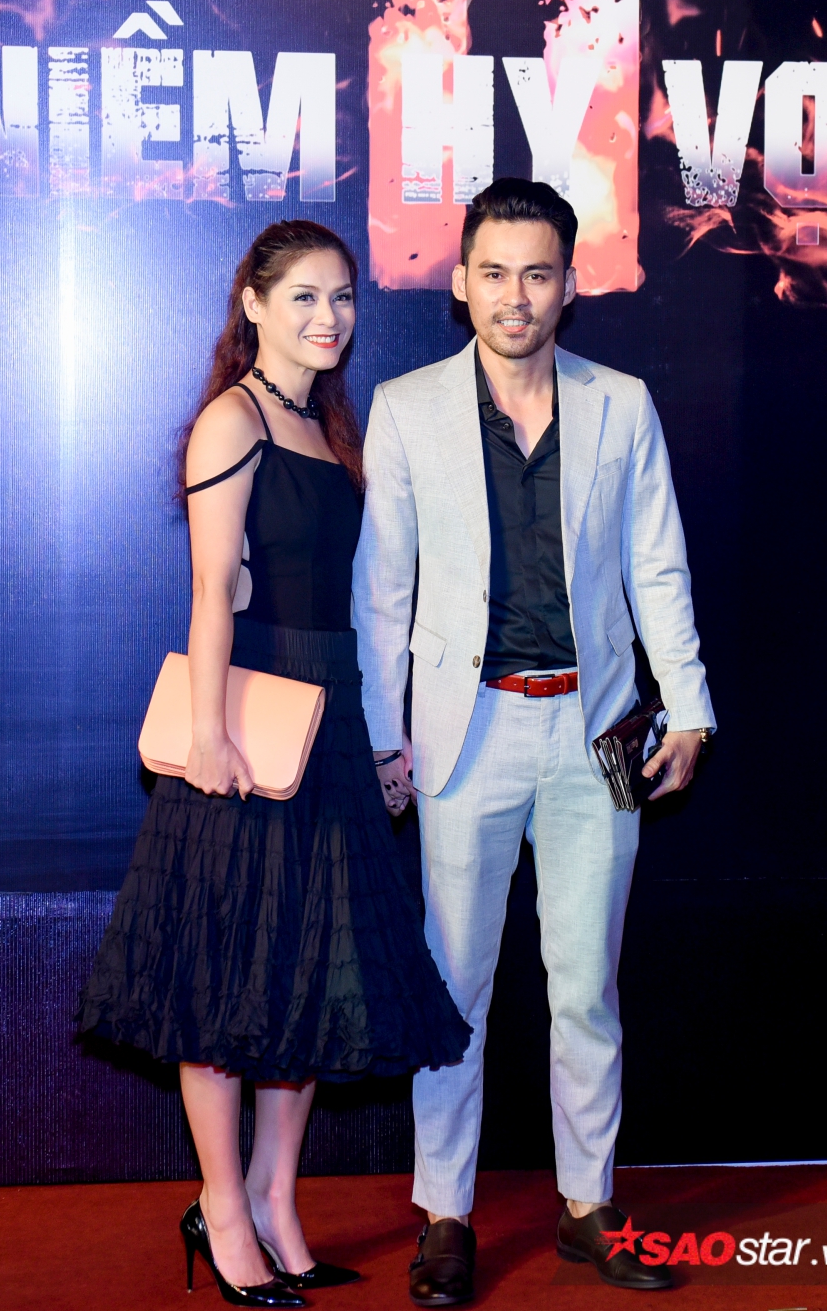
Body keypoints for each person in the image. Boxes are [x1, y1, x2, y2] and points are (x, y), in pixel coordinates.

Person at [78, 220, 471, 1310]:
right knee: (221, 976)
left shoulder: (327, 425)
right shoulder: (232, 420)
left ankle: (277, 1204)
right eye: (302, 296)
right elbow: (213, 590)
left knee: (307, 972)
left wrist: (378, 737)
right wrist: (206, 735)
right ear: (251, 303)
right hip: (249, 719)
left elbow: (360, 596)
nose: (328, 317)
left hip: (329, 715)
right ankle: (222, 1209)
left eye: (341, 297)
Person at [353, 179, 716, 1302]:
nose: (516, 295)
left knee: (586, 986)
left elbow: (657, 563)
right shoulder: (407, 409)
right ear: (461, 284)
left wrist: (690, 704)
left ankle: (588, 1206)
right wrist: (383, 736)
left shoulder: (622, 405)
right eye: (495, 272)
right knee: (453, 985)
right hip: (462, 733)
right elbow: (383, 593)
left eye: (539, 273)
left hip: (596, 731)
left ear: (569, 286)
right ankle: (445, 1214)